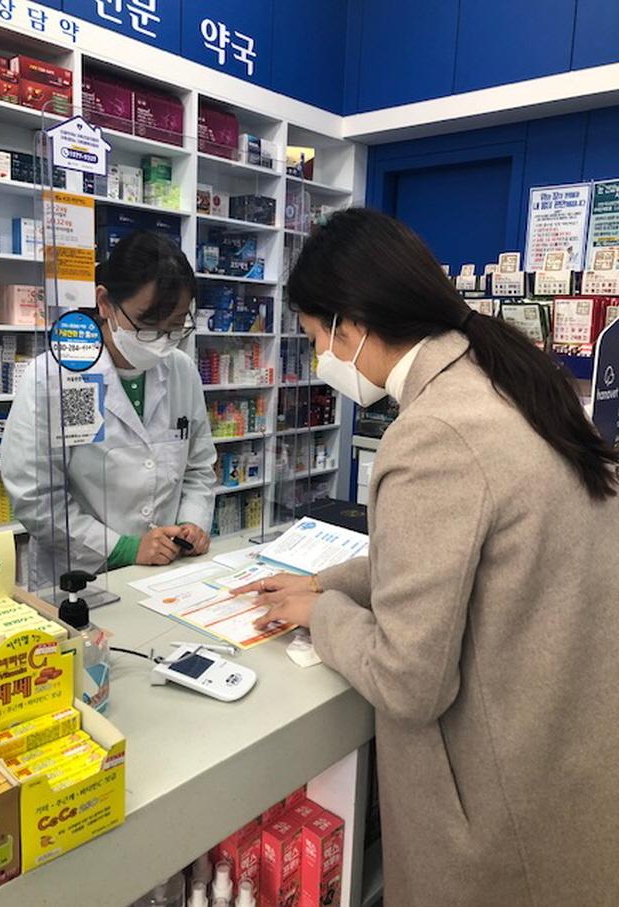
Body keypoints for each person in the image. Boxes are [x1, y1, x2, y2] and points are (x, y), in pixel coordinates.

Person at [238, 208, 619, 906]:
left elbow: (409, 680)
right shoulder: (509, 379)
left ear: (352, 325)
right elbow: (461, 560)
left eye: (317, 339)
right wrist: (324, 581)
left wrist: (323, 614)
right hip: (570, 763)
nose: (322, 362)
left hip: (496, 809)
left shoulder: (434, 433)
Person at [2, 230, 216, 590]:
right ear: (104, 303)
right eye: (148, 325)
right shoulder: (54, 377)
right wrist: (124, 549)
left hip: (165, 574)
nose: (163, 341)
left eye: (176, 326)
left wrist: (191, 526)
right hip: (80, 577)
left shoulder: (182, 370)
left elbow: (199, 468)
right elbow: (34, 495)